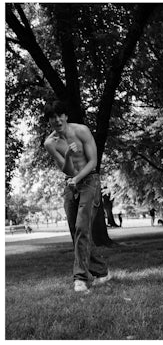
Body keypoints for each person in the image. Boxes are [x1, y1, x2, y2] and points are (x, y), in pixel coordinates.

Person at [44, 100, 109, 293]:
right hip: (72, 184)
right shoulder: (50, 143)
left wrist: (78, 178)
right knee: (76, 231)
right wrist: (68, 155)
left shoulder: (82, 131)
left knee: (82, 227)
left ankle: (80, 279)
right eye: (52, 117)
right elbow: (66, 169)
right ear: (49, 121)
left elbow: (93, 162)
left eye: (59, 115)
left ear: (65, 116)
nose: (57, 120)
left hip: (90, 180)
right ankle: (102, 272)